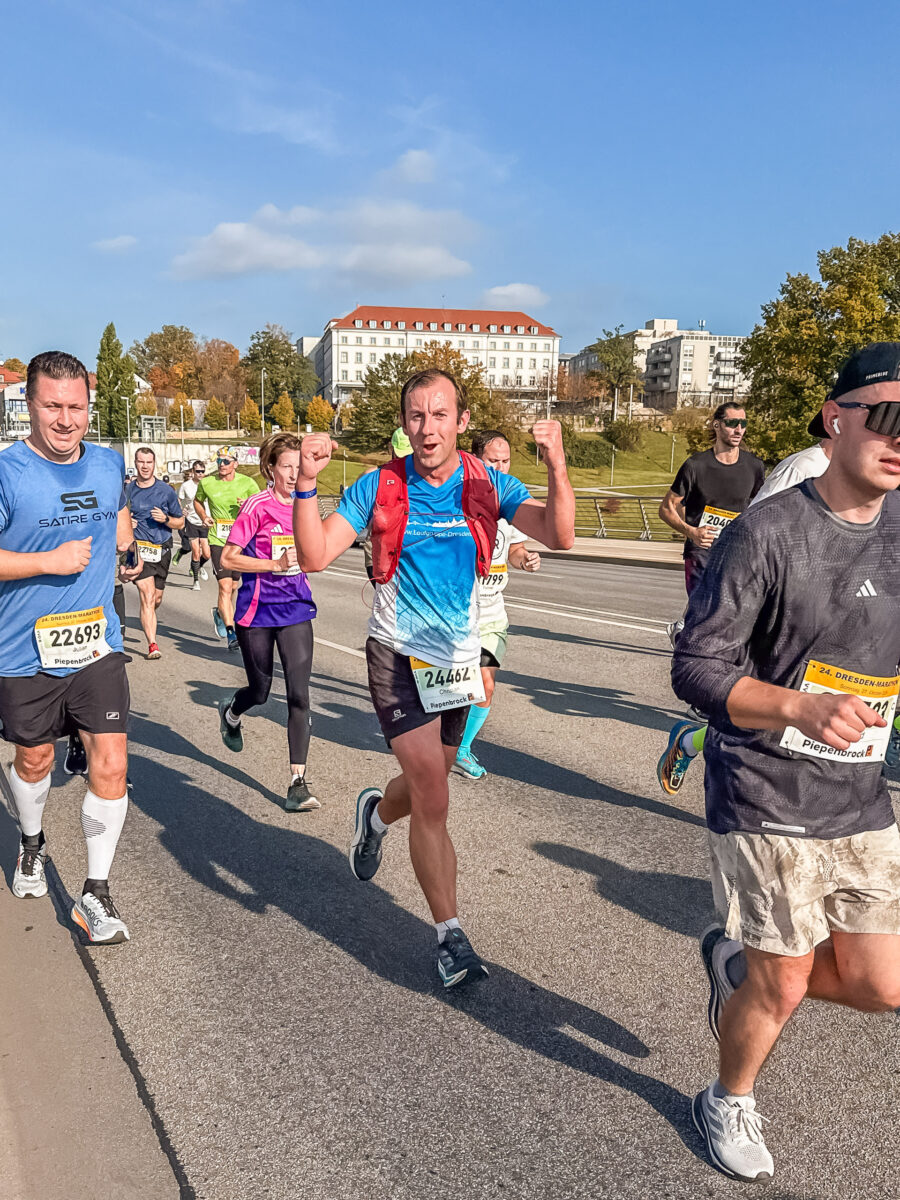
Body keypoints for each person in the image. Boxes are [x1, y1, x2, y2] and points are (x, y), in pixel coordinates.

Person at [671, 342, 900, 1183]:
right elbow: (695, 666)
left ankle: (732, 968)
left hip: (861, 791)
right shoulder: (767, 532)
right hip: (765, 791)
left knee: (883, 985)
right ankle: (727, 1094)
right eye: (886, 414)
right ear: (836, 421)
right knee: (785, 985)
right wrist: (801, 706)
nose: (899, 435)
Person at [292, 369, 575, 988]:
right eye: (416, 416)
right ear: (405, 422)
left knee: (427, 787)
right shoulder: (379, 485)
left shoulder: (487, 483)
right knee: (435, 795)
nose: (428, 429)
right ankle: (450, 936)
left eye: (440, 415)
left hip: (456, 659)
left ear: (461, 421)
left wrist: (556, 463)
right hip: (395, 655)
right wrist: (307, 486)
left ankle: (373, 813)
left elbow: (559, 533)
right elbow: (314, 557)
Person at [0, 351, 142, 943]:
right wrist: (47, 561)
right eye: (53, 406)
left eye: (76, 406)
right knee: (34, 761)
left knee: (111, 760)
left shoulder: (109, 465)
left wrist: (127, 543)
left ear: (90, 407)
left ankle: (96, 894)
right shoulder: (8, 472)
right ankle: (32, 844)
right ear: (30, 405)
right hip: (23, 652)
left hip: (96, 644)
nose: (66, 419)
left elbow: (116, 514)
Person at [657, 432, 834, 794]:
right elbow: (754, 528)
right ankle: (696, 745)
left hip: (844, 607)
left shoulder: (880, 479)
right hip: (778, 598)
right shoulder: (807, 467)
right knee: (777, 717)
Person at [218, 433, 319, 813]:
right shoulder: (256, 507)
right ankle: (232, 711)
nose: (294, 474)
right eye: (287, 466)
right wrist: (273, 565)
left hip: (295, 608)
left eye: (299, 466)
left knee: (299, 694)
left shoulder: (305, 506)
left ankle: (297, 780)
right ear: (271, 468)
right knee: (260, 692)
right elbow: (229, 558)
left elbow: (314, 552)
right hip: (257, 612)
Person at [454, 429, 541, 779]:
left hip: (491, 614)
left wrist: (526, 558)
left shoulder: (509, 502)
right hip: (456, 613)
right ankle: (429, 736)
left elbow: (516, 549)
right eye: (494, 461)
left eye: (506, 460)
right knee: (450, 687)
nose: (502, 467)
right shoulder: (459, 498)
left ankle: (461, 748)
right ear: (477, 461)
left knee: (485, 684)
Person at [659, 403, 765, 641]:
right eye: (732, 423)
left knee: (732, 611)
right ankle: (693, 652)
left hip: (737, 551)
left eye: (743, 424)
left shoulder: (754, 467)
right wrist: (692, 532)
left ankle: (684, 628)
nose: (739, 429)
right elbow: (666, 509)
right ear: (717, 425)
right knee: (707, 610)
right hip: (702, 551)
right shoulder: (696, 466)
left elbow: (760, 507)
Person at [193, 446, 259, 652]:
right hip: (218, 540)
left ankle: (221, 613)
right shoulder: (207, 482)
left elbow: (259, 507)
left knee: (235, 587)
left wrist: (247, 505)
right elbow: (197, 501)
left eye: (226, 461)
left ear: (235, 464)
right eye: (219, 461)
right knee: (224, 587)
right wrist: (204, 517)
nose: (222, 465)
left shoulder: (248, 483)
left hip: (241, 541)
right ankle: (231, 632)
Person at [125, 447, 184, 660]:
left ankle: (149, 615)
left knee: (156, 599)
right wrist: (126, 523)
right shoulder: (128, 491)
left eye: (149, 462)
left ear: (154, 463)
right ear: (136, 462)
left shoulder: (166, 491)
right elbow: (114, 517)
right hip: (136, 549)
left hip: (162, 548)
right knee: (147, 595)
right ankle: (152, 644)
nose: (145, 466)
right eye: (141, 462)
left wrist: (165, 520)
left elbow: (180, 522)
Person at [176, 459, 211, 590]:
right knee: (196, 551)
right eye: (198, 471)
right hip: (191, 520)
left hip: (205, 521)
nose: (200, 474)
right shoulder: (186, 486)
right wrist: (181, 510)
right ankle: (196, 581)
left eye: (202, 472)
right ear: (193, 472)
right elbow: (179, 500)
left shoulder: (208, 484)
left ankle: (198, 566)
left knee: (207, 554)